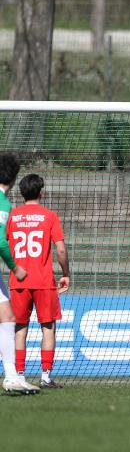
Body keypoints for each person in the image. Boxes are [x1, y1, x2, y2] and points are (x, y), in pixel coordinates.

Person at [7, 174, 70, 389]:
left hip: (19, 280)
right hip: (44, 282)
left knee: (19, 329)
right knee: (48, 328)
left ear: (21, 193)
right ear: (41, 192)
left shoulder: (12, 216)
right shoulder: (50, 216)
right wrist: (66, 273)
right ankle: (45, 376)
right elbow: (60, 249)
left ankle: (20, 376)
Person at [0, 155, 33, 395]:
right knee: (8, 319)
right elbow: (0, 241)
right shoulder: (2, 204)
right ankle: (11, 375)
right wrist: (15, 267)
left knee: (8, 318)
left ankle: (11, 376)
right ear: (13, 178)